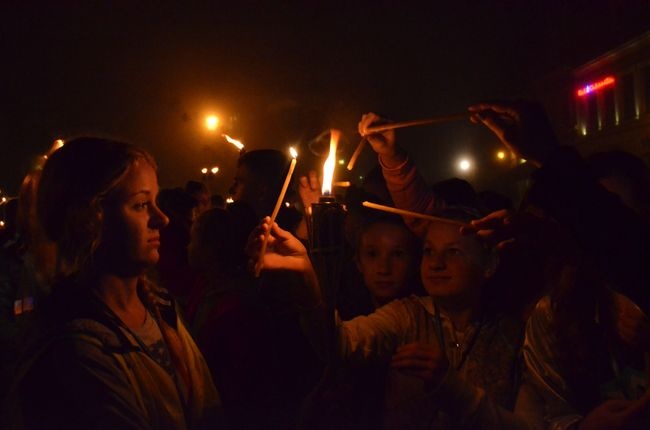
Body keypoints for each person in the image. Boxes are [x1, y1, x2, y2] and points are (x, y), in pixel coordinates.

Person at [5, 137, 222, 430]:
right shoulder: (75, 352)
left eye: (156, 202)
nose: (162, 219)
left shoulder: (161, 307)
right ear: (87, 220)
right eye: (142, 204)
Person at [250, 206, 524, 429]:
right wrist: (306, 274)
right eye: (429, 251)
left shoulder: (515, 334)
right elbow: (341, 344)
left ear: (489, 265)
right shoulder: (407, 315)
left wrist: (455, 390)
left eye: (453, 252)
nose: (436, 263)